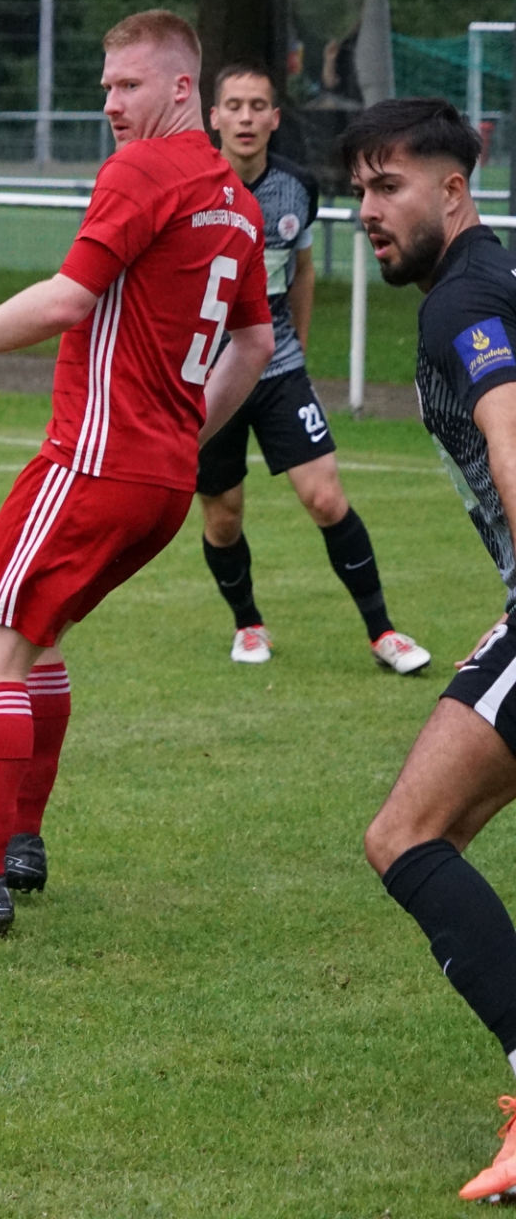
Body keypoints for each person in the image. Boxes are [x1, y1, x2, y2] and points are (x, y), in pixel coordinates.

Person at [0, 10, 274, 935]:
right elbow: (254, 342)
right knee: (38, 640)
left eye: (128, 85)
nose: (110, 104)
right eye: (105, 87)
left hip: (93, 463)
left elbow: (68, 298)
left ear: (182, 88)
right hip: (161, 482)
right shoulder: (237, 202)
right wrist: (184, 433)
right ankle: (18, 842)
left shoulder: (141, 170)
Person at [352, 98, 516, 1203]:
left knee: (406, 834)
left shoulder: (464, 300)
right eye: (360, 190)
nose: (369, 210)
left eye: (390, 186)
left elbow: (509, 431)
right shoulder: (489, 277)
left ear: (452, 190)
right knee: (422, 832)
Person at [196, 62, 429, 673]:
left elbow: (300, 271)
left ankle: (384, 633)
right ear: (213, 117)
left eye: (258, 106)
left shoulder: (297, 185)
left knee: (326, 498)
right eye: (234, 106)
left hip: (278, 370)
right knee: (223, 515)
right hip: (209, 378)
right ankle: (248, 624)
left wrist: (294, 347)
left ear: (275, 118)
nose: (246, 117)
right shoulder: (191, 187)